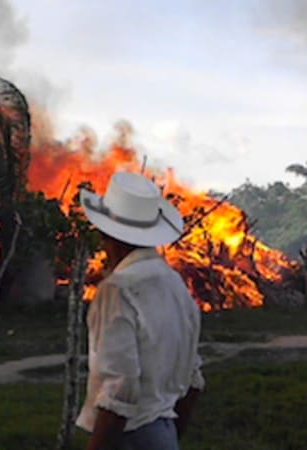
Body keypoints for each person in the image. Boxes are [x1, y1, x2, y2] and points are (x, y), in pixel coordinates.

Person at [76, 171, 204, 450]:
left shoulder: (116, 291)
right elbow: (193, 381)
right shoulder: (176, 285)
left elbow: (118, 393)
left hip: (128, 437)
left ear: (108, 236)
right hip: (165, 432)